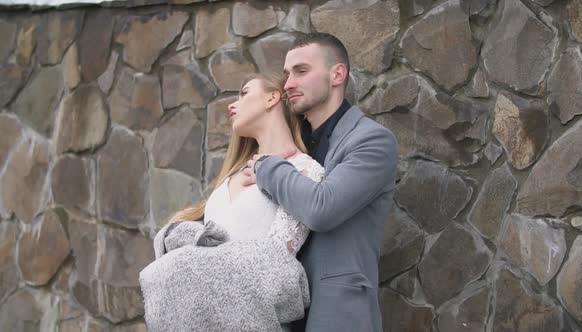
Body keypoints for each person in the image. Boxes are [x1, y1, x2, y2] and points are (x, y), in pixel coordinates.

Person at [139, 73, 325, 332]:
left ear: (272, 98)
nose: (231, 104)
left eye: (244, 92)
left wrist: (185, 264)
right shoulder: (232, 174)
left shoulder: (304, 171)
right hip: (201, 315)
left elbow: (277, 257)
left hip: (251, 315)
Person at [244, 33, 399, 332]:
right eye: (288, 74)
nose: (288, 83)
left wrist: (266, 167)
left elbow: (321, 208)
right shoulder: (292, 142)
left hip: (337, 313)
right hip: (279, 314)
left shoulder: (373, 141)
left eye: (301, 71)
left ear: (337, 74)